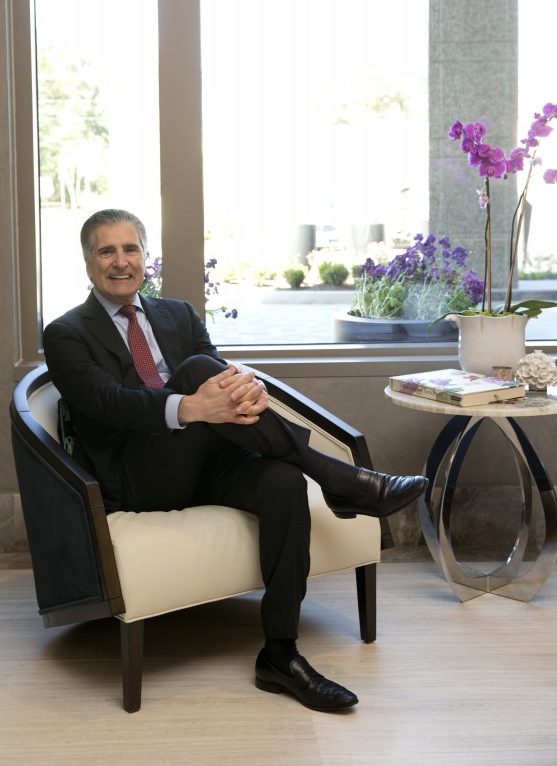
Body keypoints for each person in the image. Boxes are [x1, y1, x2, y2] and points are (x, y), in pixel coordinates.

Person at [43, 208, 427, 712]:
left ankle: (280, 655)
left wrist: (240, 392)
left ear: (145, 256)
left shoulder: (177, 314)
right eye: (106, 251)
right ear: (89, 263)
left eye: (130, 248)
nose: (121, 262)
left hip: (203, 462)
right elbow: (108, 402)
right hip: (137, 477)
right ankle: (340, 478)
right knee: (199, 371)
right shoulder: (66, 333)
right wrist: (193, 405)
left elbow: (225, 386)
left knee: (283, 480)